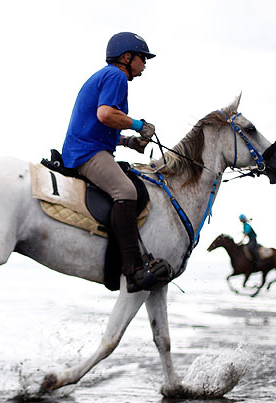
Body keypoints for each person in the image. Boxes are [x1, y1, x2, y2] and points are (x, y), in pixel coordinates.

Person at [61, 32, 164, 293]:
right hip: (86, 153)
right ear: (127, 57)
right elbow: (106, 114)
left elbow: (100, 126)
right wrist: (140, 125)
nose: (145, 63)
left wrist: (128, 142)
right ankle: (134, 271)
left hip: (87, 146)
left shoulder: (107, 76)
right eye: (143, 58)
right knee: (126, 191)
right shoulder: (116, 76)